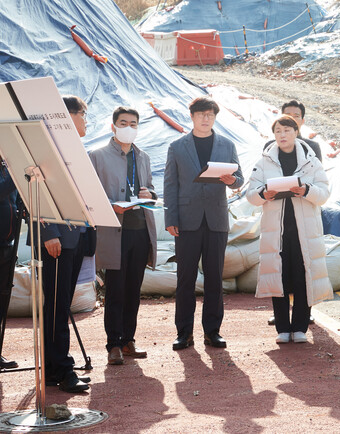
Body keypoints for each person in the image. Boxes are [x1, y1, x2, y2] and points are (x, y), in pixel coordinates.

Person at [164, 96, 244, 351]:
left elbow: (239, 178)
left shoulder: (227, 145)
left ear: (214, 117)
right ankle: (184, 333)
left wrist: (232, 181)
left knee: (214, 278)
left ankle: (212, 332)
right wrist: (171, 218)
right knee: (185, 278)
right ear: (192, 116)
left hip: (216, 220)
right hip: (186, 221)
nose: (205, 119)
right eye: (201, 114)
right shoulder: (177, 147)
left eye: (210, 115)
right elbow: (170, 185)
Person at [247, 115, 333, 343]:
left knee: (304, 275)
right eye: (278, 131)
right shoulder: (264, 162)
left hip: (305, 231)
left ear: (296, 131)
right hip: (277, 231)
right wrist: (264, 194)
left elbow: (324, 194)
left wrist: (306, 190)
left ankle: (300, 327)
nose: (282, 135)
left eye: (286, 130)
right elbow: (251, 195)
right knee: (279, 276)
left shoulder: (311, 161)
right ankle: (283, 328)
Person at [28, 95, 91, 392]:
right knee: (55, 306)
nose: (86, 121)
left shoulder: (74, 149)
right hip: (56, 239)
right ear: (67, 116)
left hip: (75, 236)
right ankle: (62, 369)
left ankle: (54, 368)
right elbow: (34, 191)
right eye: (83, 115)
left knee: (61, 304)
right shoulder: (46, 148)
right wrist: (48, 232)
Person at [89, 107, 158, 365]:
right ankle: (114, 344)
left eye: (133, 124)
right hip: (115, 232)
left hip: (140, 230)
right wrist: (111, 206)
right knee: (115, 290)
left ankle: (129, 340)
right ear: (113, 126)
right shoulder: (97, 156)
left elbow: (151, 189)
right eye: (123, 123)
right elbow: (91, 194)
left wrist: (150, 195)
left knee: (133, 290)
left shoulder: (143, 157)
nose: (128, 127)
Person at [264, 100, 321, 327]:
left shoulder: (311, 149)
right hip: (278, 218)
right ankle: (281, 317)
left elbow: (319, 183)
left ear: (301, 123)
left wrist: (307, 190)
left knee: (303, 268)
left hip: (303, 216)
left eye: (295, 117)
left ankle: (302, 317)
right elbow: (259, 183)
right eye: (285, 116)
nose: (289, 123)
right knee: (279, 268)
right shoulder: (269, 149)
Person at [0, 158, 19, 370]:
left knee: (2, 298)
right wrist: (18, 176)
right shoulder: (11, 172)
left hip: (7, 244)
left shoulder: (7, 166)